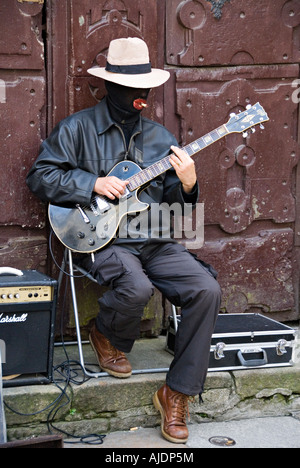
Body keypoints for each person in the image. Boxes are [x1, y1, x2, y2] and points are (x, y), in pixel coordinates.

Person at [26, 37, 222, 444]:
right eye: (132, 88)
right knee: (136, 286)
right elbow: (40, 177)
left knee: (205, 289)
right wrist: (92, 182)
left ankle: (176, 393)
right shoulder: (77, 128)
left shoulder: (160, 137)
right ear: (109, 85)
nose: (140, 96)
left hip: (153, 238)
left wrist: (188, 184)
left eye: (144, 87)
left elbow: (177, 206)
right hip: (101, 239)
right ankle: (106, 334)